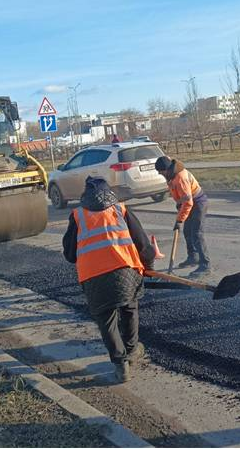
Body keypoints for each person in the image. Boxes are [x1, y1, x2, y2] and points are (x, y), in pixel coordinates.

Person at [62, 177, 156, 383]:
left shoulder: (78, 216)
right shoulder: (120, 210)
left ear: (85, 196)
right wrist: (148, 265)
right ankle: (132, 351)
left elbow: (69, 254)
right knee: (129, 308)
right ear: (109, 193)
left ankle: (120, 365)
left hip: (94, 278)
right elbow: (142, 243)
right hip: (126, 272)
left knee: (107, 321)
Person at [154, 156, 210, 276]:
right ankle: (193, 257)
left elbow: (188, 202)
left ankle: (205, 264)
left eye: (160, 171)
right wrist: (179, 205)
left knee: (197, 234)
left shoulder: (180, 178)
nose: (160, 174)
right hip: (189, 203)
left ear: (166, 169)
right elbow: (181, 198)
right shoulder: (171, 175)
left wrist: (179, 220)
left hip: (198, 203)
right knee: (187, 232)